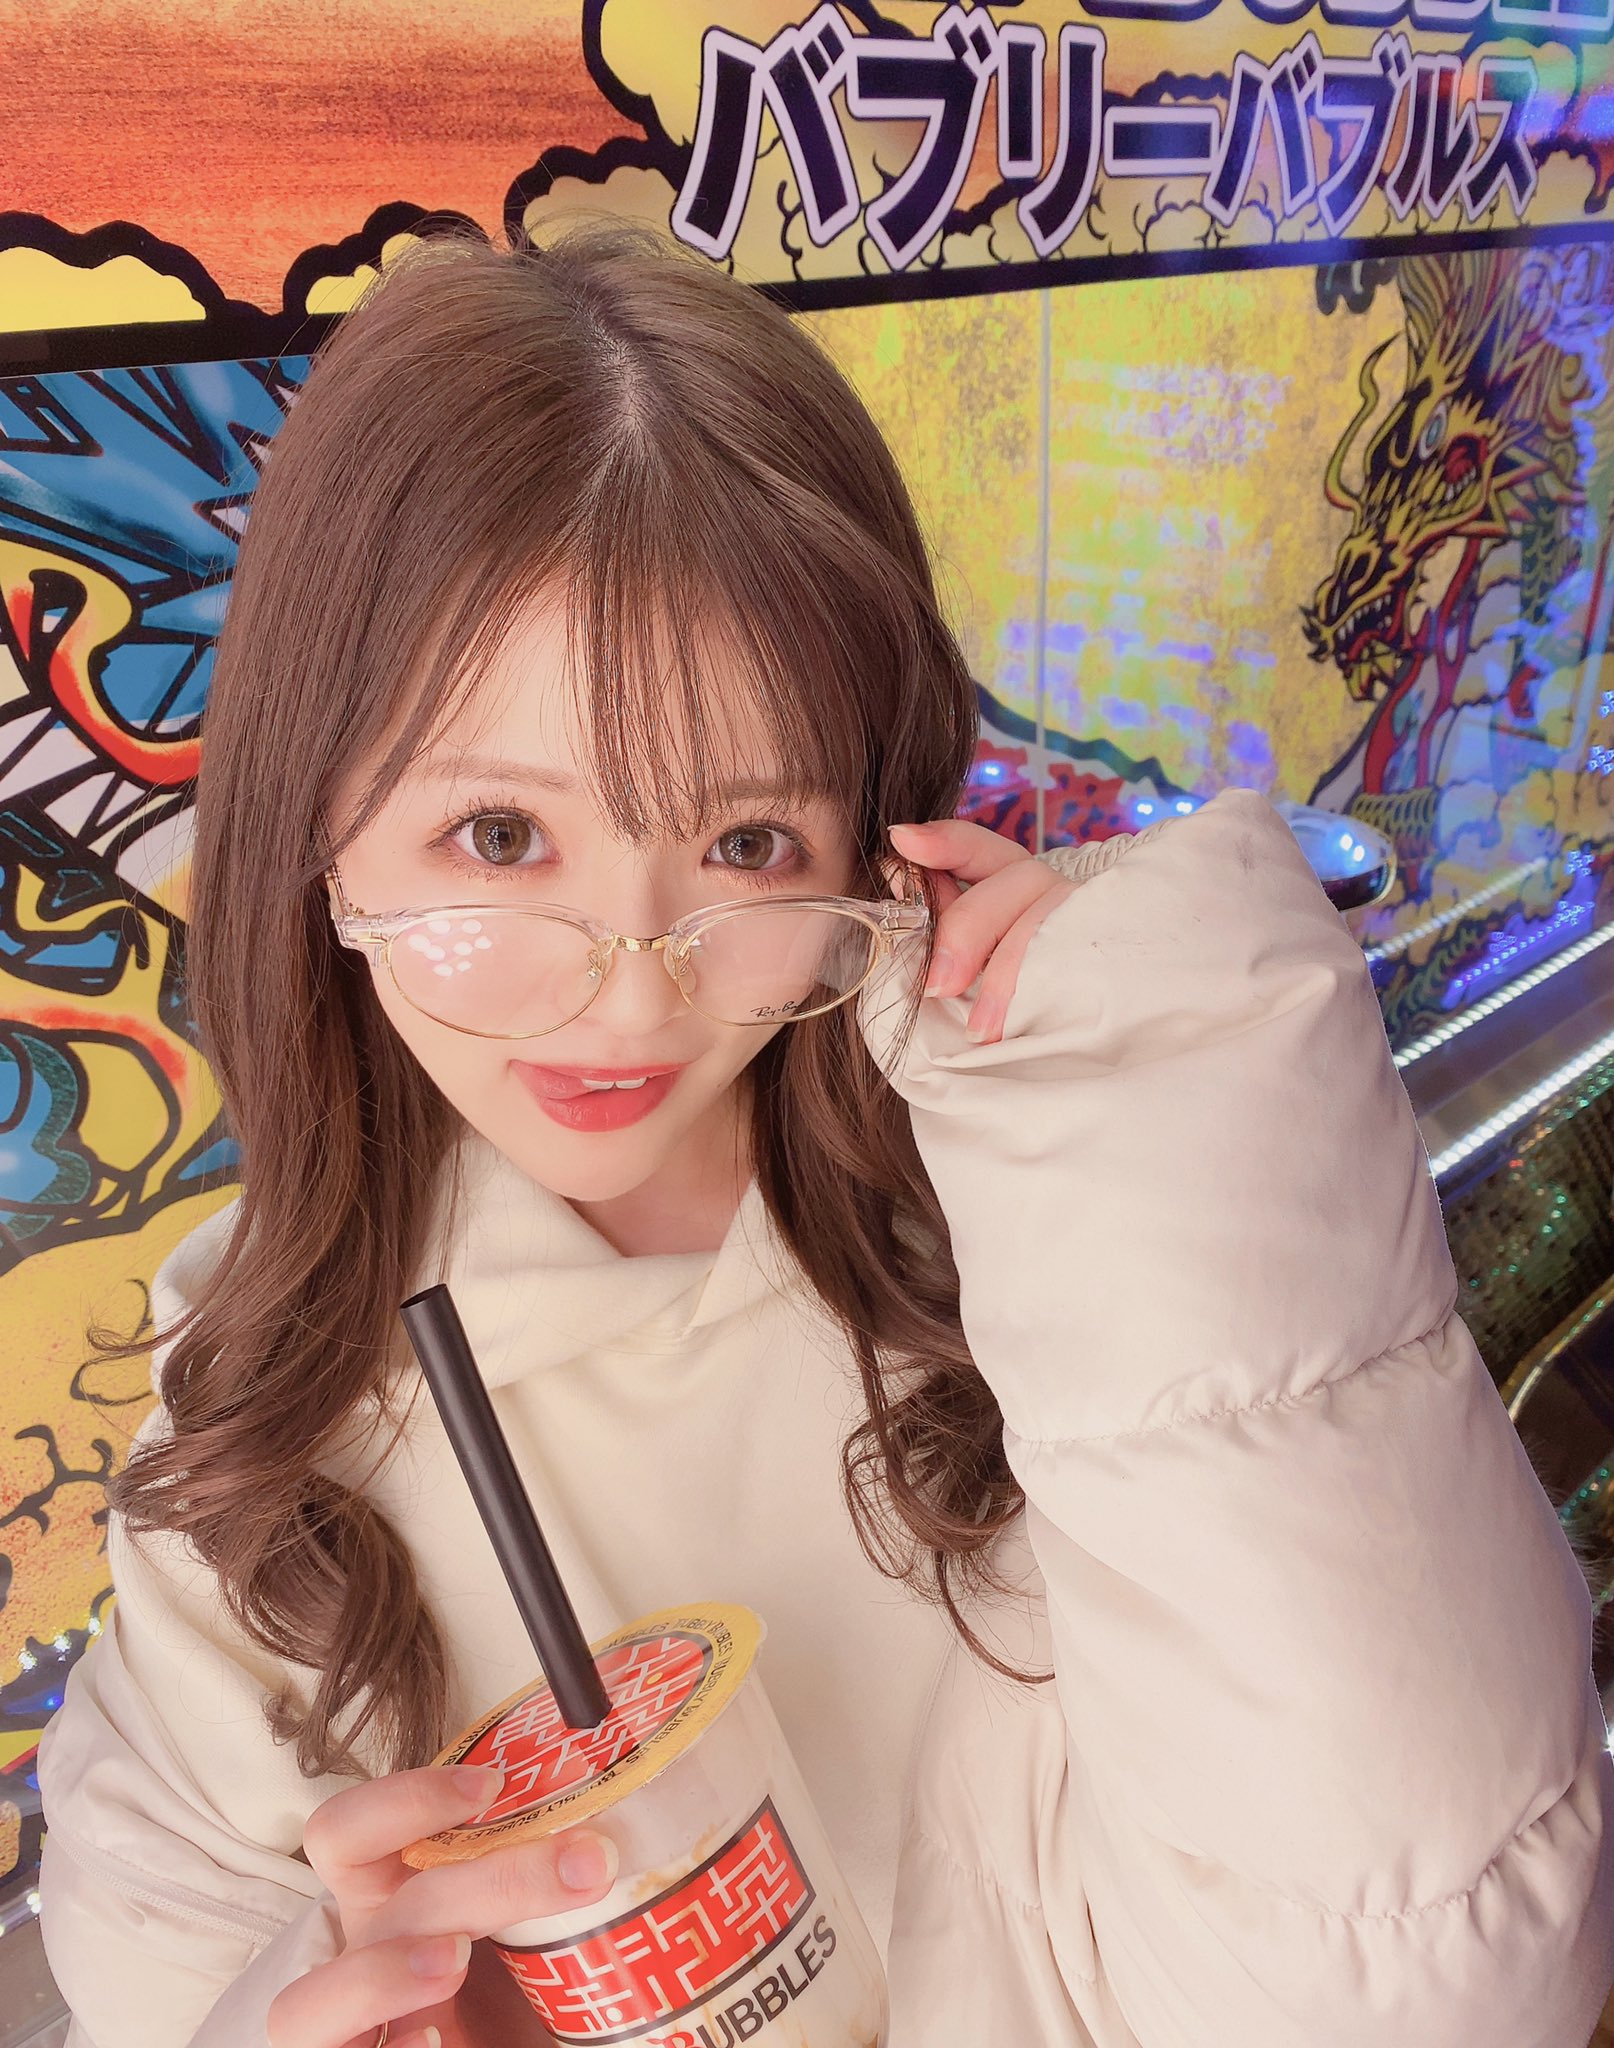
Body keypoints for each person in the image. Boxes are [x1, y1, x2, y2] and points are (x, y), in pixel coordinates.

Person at [35, 224, 1614, 2048]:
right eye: (500, 839)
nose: (632, 997)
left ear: (872, 839)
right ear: (316, 826)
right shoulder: (250, 1419)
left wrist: (1169, 1116)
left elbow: (1424, 1979)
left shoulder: (1046, 1250)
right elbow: (160, 1975)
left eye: (746, 845)